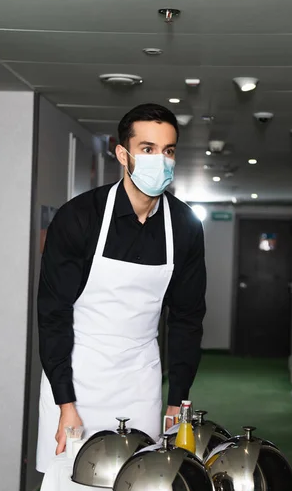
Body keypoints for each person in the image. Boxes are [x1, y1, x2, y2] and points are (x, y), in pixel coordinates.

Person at [36, 103, 206, 472]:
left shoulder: (186, 226)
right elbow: (52, 315)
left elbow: (187, 318)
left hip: (139, 378)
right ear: (122, 154)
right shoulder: (79, 217)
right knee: (71, 489)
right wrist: (65, 403)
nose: (160, 160)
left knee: (140, 483)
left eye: (168, 150)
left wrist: (177, 400)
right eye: (147, 149)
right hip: (76, 376)